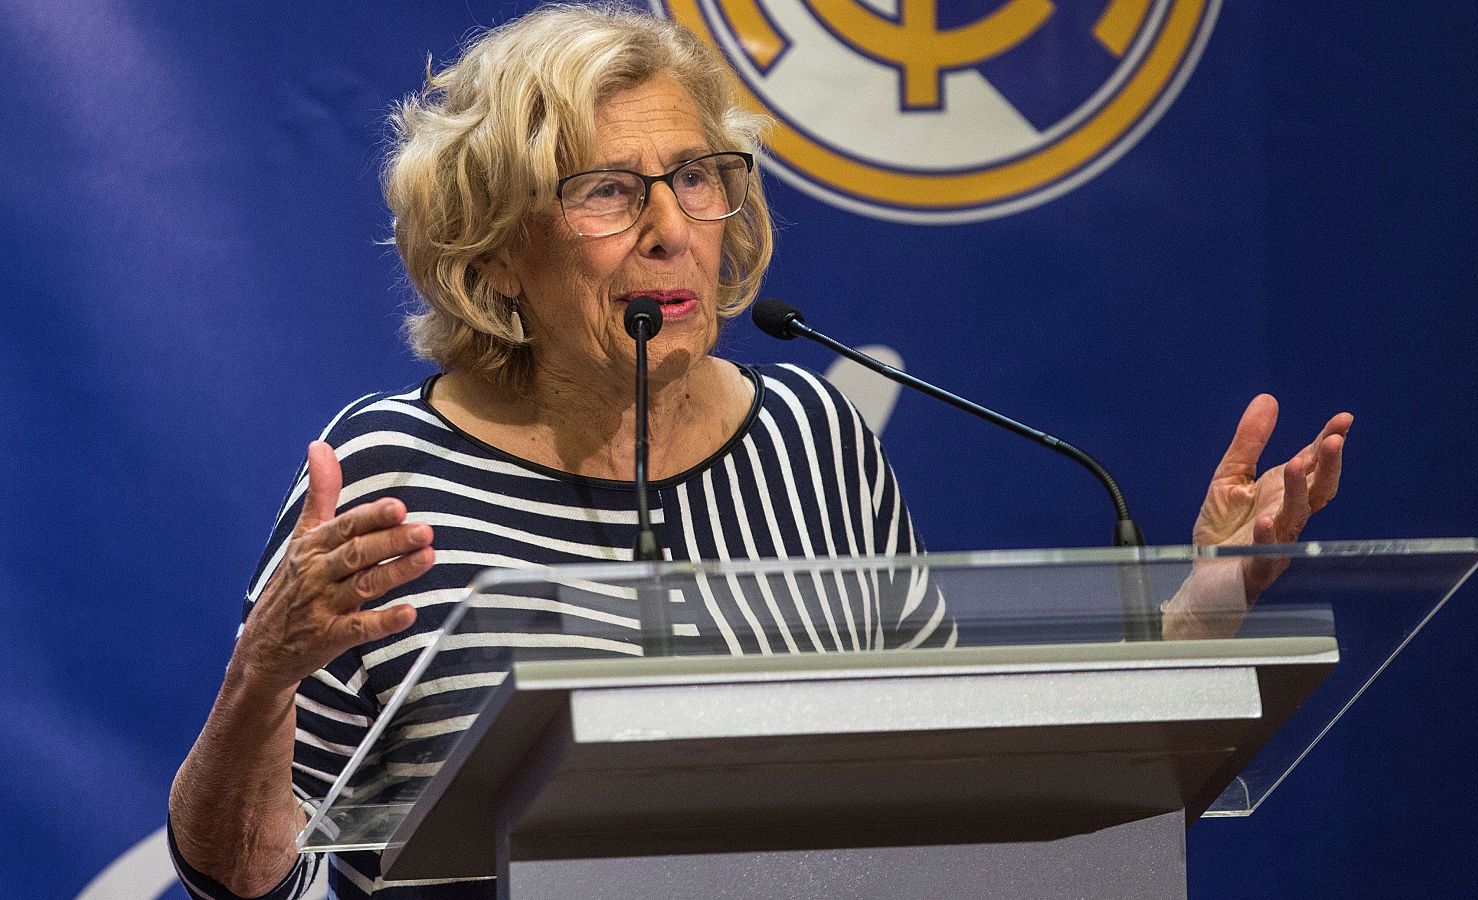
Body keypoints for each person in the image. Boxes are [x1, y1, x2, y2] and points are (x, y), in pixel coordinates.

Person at [167, 4, 1350, 898]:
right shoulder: (386, 474)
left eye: (693, 177)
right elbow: (245, 875)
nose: (672, 227)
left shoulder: (808, 440)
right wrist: (260, 680)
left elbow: (956, 800)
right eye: (607, 192)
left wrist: (1203, 606)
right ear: (492, 251)